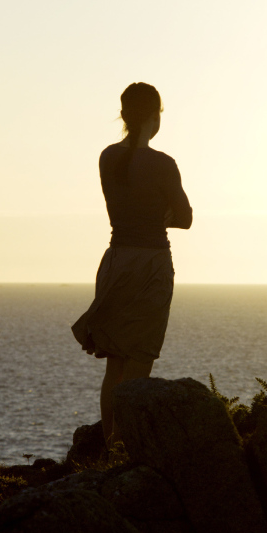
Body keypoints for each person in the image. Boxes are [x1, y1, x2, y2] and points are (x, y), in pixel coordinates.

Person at [71, 82, 192, 447]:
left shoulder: (108, 158)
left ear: (123, 116)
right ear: (155, 116)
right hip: (151, 264)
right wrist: (161, 214)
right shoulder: (163, 164)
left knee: (115, 364)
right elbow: (184, 217)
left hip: (116, 261)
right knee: (139, 363)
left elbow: (125, 206)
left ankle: (112, 447)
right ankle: (127, 447)